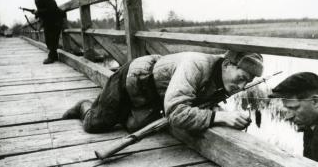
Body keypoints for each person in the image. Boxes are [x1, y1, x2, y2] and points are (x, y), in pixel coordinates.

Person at [63, 50, 264, 134]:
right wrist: (219, 117)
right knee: (95, 125)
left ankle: (122, 112)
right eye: (241, 78)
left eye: (248, 82)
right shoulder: (196, 65)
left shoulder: (223, 76)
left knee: (134, 127)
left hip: (156, 97)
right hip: (133, 79)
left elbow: (201, 100)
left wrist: (219, 111)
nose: (242, 87)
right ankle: (84, 106)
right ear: (228, 64)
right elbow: (176, 113)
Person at [269, 72, 318, 161]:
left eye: (294, 108)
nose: (288, 117)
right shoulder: (310, 125)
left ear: (315, 101)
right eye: (287, 109)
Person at [29, 0, 65, 64]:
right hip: (48, 21)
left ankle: (51, 57)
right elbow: (42, 12)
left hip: (56, 20)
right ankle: (54, 56)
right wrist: (37, 15)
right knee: (48, 39)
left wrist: (38, 12)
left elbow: (52, 9)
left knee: (53, 39)